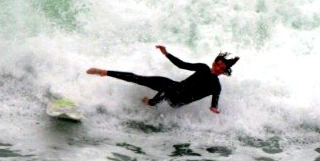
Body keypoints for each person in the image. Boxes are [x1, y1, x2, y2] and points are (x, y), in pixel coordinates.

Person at [86, 45, 239, 114]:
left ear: (224, 71)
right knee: (138, 79)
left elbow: (214, 103)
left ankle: (151, 102)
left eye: (221, 68)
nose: (217, 68)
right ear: (214, 62)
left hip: (177, 101)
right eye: (217, 64)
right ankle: (104, 72)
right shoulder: (203, 67)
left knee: (167, 90)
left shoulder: (216, 87)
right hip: (173, 88)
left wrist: (214, 109)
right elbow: (182, 65)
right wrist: (166, 54)